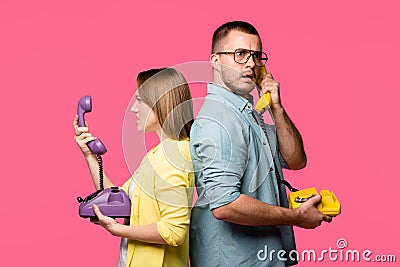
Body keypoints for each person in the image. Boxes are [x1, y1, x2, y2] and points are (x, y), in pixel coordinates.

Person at [189, 21, 332, 266]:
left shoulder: (247, 113)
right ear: (214, 60)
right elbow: (225, 205)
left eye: (256, 56)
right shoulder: (218, 122)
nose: (251, 64)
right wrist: (296, 217)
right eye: (240, 54)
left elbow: (296, 160)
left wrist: (276, 106)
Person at [73, 68, 194, 267]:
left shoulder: (173, 156)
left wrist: (119, 230)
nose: (133, 109)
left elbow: (174, 231)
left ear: (160, 102)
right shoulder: (158, 154)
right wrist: (89, 155)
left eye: (139, 100)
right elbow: (119, 198)